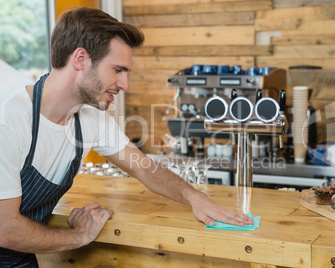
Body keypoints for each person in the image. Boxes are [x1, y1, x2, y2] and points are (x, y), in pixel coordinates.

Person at [0, 7, 252, 267]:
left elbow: (144, 168)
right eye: (117, 70)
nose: (124, 84)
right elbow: (6, 230)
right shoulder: (8, 120)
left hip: (21, 258)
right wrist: (78, 236)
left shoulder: (89, 117)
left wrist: (195, 198)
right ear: (80, 59)